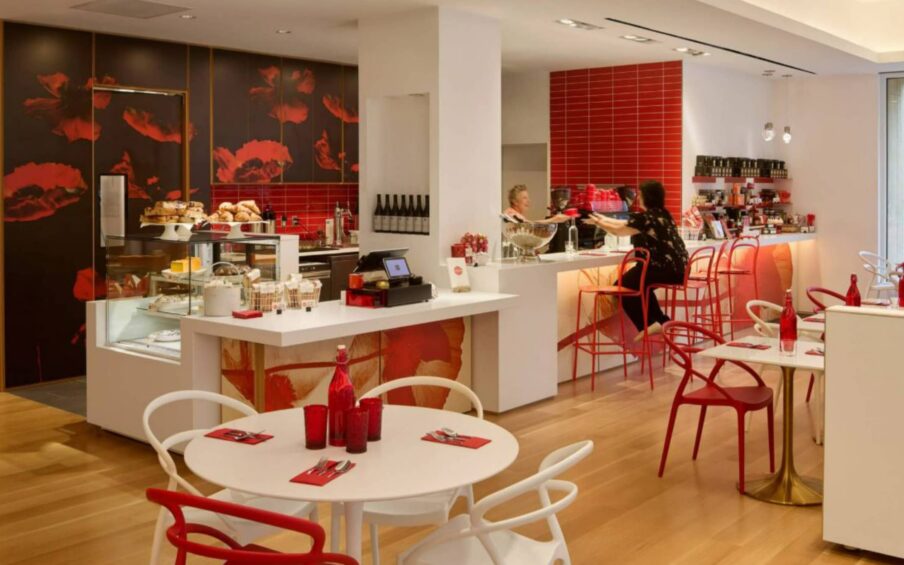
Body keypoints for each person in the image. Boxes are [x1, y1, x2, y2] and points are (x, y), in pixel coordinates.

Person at [584, 180, 688, 338]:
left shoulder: (646, 217)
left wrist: (599, 222)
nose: (638, 198)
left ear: (646, 197)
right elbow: (624, 223)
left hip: (662, 268)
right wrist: (600, 218)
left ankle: (646, 325)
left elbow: (619, 231)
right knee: (641, 286)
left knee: (622, 287)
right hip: (680, 270)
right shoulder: (663, 214)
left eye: (640, 194)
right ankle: (661, 320)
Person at [504, 185, 569, 224]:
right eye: (524, 198)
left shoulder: (518, 216)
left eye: (528, 198)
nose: (528, 201)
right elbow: (528, 225)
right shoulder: (510, 214)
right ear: (515, 201)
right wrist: (553, 220)